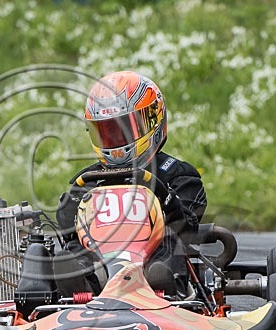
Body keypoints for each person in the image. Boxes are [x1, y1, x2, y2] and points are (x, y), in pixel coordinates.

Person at [54, 71, 207, 295]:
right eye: (108, 132)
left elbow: (187, 226)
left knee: (170, 242)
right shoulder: (88, 180)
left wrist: (164, 196)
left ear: (153, 121)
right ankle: (83, 283)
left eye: (124, 130)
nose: (116, 142)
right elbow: (69, 230)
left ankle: (162, 283)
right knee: (75, 248)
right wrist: (67, 209)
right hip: (101, 257)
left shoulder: (178, 175)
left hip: (153, 256)